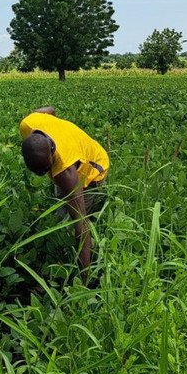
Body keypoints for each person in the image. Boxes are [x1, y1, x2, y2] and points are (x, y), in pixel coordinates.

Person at [19, 107, 110, 280]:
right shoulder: (28, 124)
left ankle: (82, 269)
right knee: (61, 214)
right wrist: (60, 130)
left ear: (52, 158)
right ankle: (60, 259)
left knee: (71, 223)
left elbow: (80, 224)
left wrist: (84, 279)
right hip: (72, 153)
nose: (43, 175)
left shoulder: (65, 172)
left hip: (94, 167)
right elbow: (50, 110)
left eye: (46, 170)